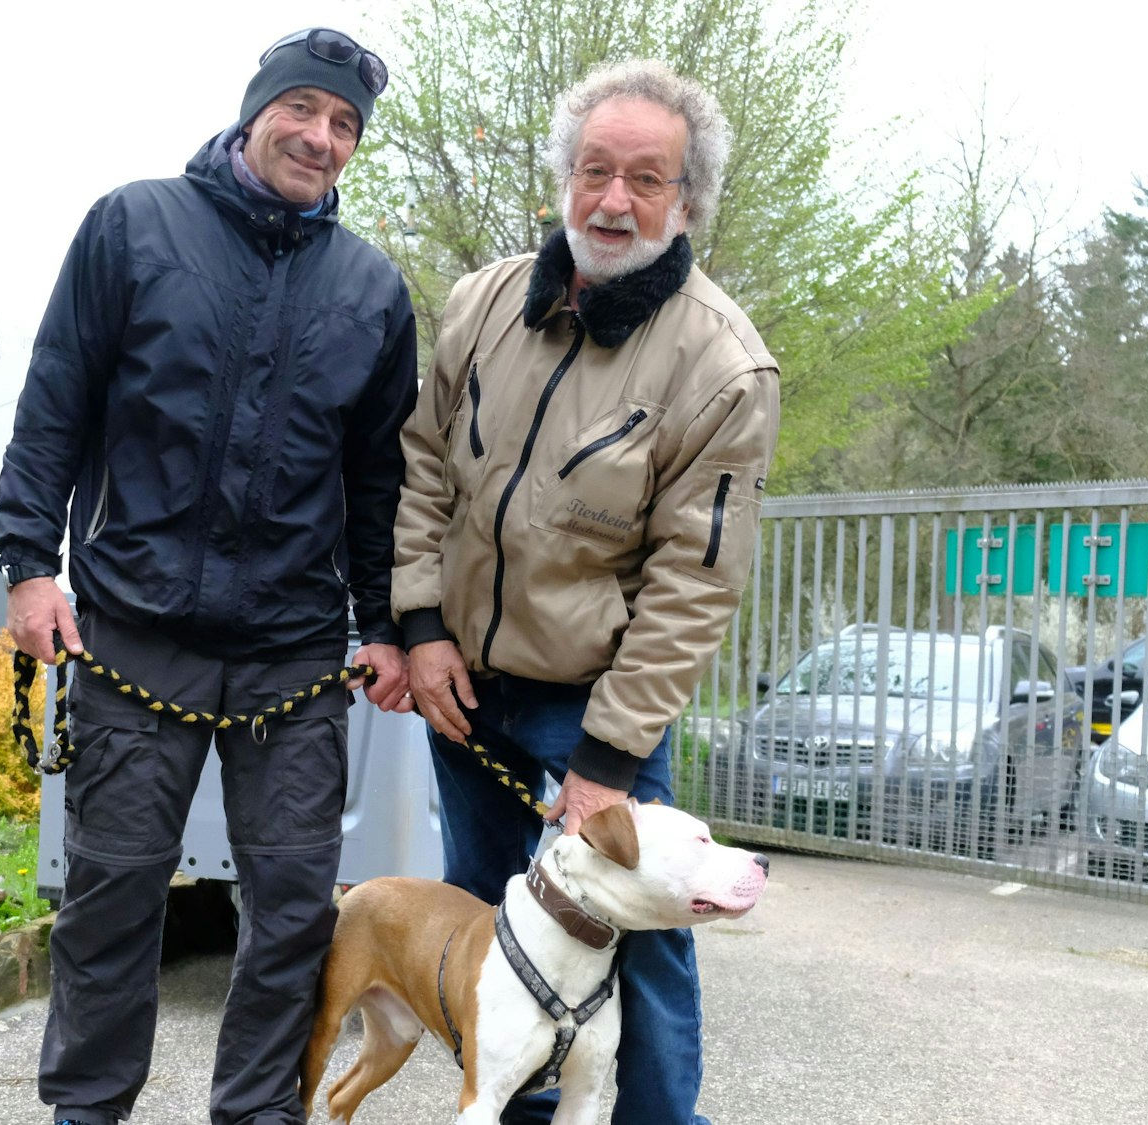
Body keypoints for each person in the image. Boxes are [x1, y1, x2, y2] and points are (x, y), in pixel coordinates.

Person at [0, 28, 418, 1125]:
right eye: (303, 113)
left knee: (286, 915)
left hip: (290, 651)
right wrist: (29, 566)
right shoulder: (134, 226)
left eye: (344, 127)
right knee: (112, 899)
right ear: (253, 112)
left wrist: (383, 623)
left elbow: (378, 481)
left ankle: (255, 1114)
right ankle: (86, 1110)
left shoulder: (371, 288)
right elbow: (55, 405)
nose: (320, 140)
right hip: (135, 630)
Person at [389, 60, 780, 1125]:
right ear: (563, 177)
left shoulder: (723, 366)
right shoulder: (480, 304)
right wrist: (420, 631)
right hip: (462, 692)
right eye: (593, 170)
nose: (612, 200)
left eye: (644, 179)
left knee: (637, 949)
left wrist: (605, 767)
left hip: (591, 709)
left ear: (685, 199)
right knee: (485, 933)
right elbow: (423, 471)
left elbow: (690, 589)